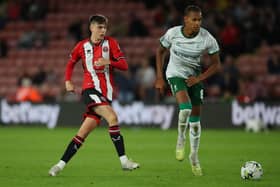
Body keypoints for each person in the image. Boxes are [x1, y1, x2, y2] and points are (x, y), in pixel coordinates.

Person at [48, 15, 140, 176]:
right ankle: (124, 161)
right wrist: (67, 81)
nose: (103, 30)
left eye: (105, 27)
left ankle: (58, 166)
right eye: (99, 27)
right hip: (90, 90)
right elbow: (70, 63)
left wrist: (109, 62)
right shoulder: (81, 46)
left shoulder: (111, 43)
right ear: (91, 28)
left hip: (106, 95)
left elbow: (124, 65)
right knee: (112, 117)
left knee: (81, 134)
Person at [155, 5, 221, 176]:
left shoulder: (207, 38)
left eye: (199, 19)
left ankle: (194, 157)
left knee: (196, 123)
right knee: (185, 109)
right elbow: (160, 52)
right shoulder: (173, 33)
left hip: (194, 78)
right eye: (194, 19)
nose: (197, 23)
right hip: (175, 74)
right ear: (185, 19)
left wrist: (198, 79)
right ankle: (180, 139)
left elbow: (216, 64)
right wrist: (160, 77)